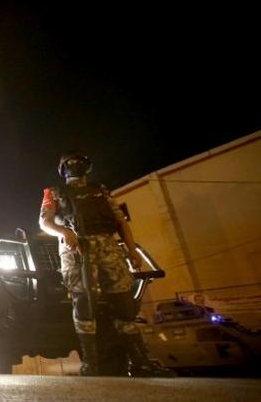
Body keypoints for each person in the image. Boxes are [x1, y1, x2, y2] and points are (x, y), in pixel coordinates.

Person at [39, 150, 174, 377]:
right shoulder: (54, 192)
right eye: (70, 162)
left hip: (108, 247)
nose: (75, 165)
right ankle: (91, 364)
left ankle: (140, 361)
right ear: (63, 169)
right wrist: (63, 231)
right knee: (84, 304)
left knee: (124, 304)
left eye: (79, 161)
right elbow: (44, 221)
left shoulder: (100, 190)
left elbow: (120, 222)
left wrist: (132, 251)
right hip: (78, 249)